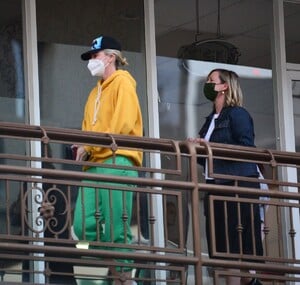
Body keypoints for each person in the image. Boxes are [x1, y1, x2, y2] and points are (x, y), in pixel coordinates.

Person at [72, 35, 143, 285]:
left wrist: (88, 144)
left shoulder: (123, 82)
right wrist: (84, 146)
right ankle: (109, 271)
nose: (91, 60)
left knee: (116, 229)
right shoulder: (94, 93)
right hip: (94, 165)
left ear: (111, 57)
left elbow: (121, 125)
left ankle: (124, 279)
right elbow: (86, 130)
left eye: (95, 55)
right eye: (91, 56)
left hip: (118, 161)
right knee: (82, 227)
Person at [189, 69, 263, 285]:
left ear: (224, 86)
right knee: (221, 250)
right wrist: (198, 147)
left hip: (236, 187)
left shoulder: (238, 114)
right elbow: (207, 159)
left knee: (237, 248)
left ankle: (248, 282)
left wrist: (209, 146)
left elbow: (246, 147)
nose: (207, 84)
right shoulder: (211, 120)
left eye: (211, 80)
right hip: (217, 187)